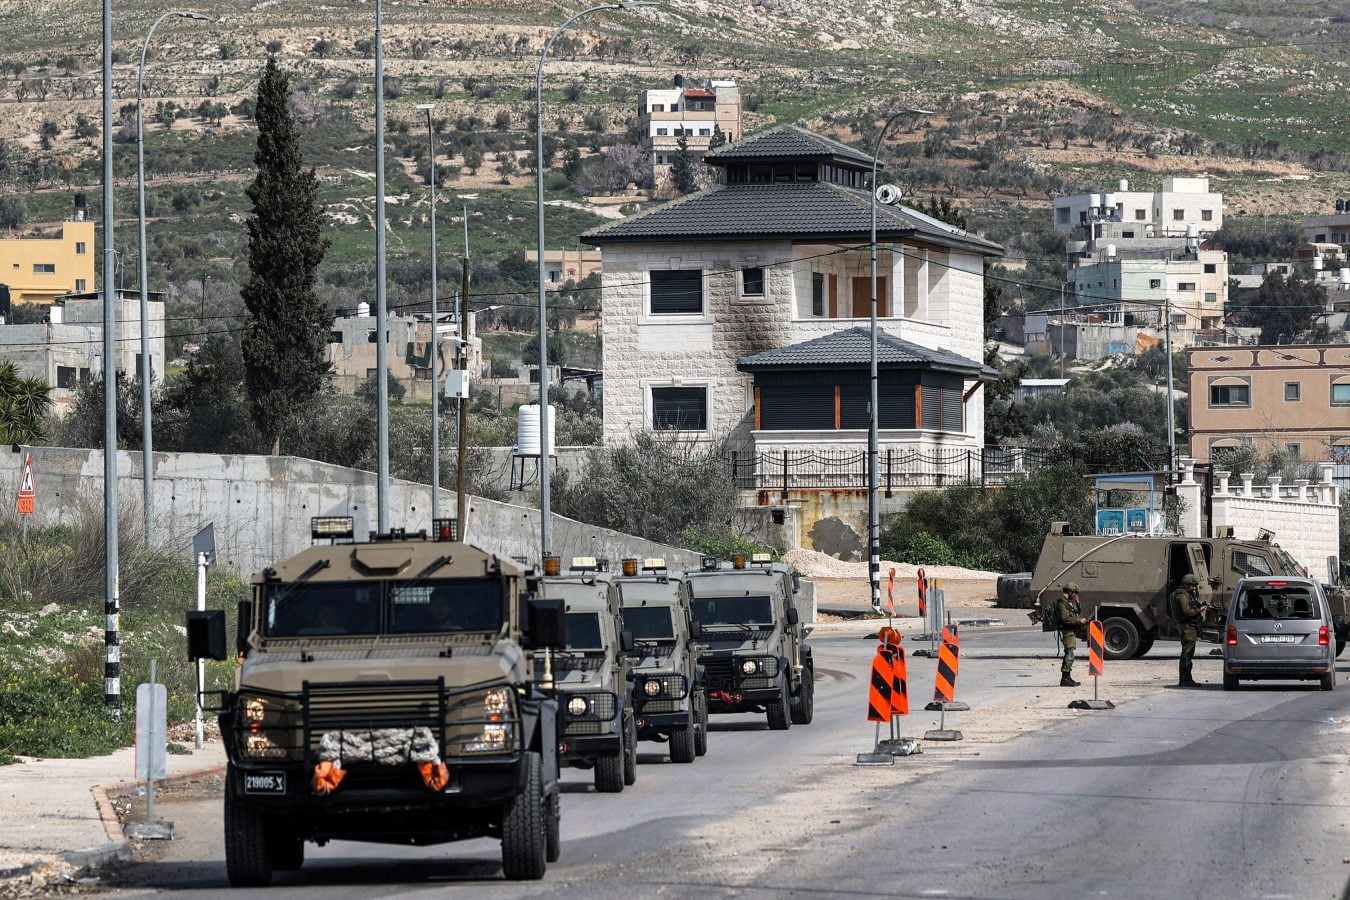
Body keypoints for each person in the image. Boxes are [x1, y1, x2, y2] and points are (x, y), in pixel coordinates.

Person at [1171, 573, 1204, 687]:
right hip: (1187, 627)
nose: (1194, 588)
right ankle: (1186, 680)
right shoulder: (1182, 595)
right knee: (1187, 653)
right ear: (1186, 585)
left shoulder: (1185, 594)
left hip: (1188, 626)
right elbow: (1187, 611)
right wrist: (1200, 610)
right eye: (1192, 585)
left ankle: (1185, 679)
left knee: (1187, 653)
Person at [1057, 582, 1089, 687]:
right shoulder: (1061, 602)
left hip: (1071, 630)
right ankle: (1065, 678)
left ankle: (1067, 677)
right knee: (1069, 653)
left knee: (1070, 653)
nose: (1075, 595)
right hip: (1067, 631)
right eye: (1074, 593)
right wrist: (1079, 621)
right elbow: (1065, 618)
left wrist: (1078, 604)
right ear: (1069, 591)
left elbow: (1075, 613)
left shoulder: (1068, 602)